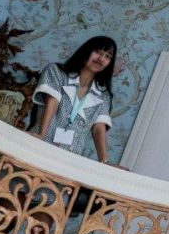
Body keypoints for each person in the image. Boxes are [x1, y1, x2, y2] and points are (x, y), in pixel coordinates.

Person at [29, 36, 119, 164]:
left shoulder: (104, 95)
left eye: (108, 56)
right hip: (39, 147)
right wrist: (41, 135)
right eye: (98, 52)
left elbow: (99, 127)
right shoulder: (56, 72)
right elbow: (52, 101)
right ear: (86, 51)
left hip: (69, 160)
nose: (101, 59)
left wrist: (105, 162)